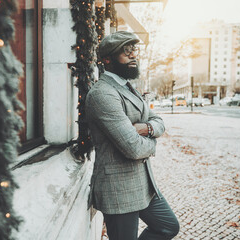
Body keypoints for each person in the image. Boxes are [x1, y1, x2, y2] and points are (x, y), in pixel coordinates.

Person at [85, 31, 180, 240]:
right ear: (107, 59)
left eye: (134, 50)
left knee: (168, 226)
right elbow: (134, 148)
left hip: (143, 184)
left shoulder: (127, 87)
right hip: (118, 189)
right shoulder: (103, 94)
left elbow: (159, 122)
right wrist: (152, 143)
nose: (133, 55)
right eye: (125, 51)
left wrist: (143, 129)